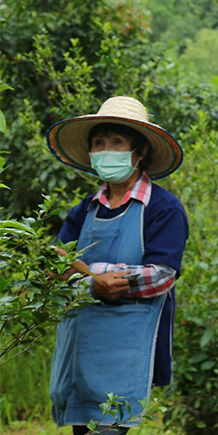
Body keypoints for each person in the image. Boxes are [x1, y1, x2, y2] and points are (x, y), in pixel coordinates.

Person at [46, 96, 188, 434]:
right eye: (99, 143)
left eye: (116, 142)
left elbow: (162, 275)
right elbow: (53, 267)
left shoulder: (163, 209)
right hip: (81, 343)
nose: (106, 150)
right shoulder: (85, 210)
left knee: (111, 424)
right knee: (83, 426)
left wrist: (99, 274)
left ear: (139, 153)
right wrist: (95, 283)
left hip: (127, 343)